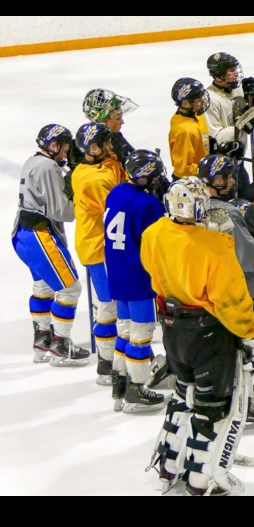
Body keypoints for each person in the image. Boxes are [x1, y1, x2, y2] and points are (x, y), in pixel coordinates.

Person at [143, 177, 254, 495]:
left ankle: (168, 465)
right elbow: (230, 298)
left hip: (171, 329)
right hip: (209, 334)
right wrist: (248, 333)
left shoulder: (153, 234)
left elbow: (152, 268)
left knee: (182, 395)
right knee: (212, 407)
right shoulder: (216, 246)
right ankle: (199, 479)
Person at [12, 124, 90, 365]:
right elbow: (62, 211)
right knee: (70, 289)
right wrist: (79, 191)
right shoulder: (49, 167)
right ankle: (61, 345)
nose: (67, 151)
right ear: (54, 146)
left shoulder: (33, 161)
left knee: (43, 286)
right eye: (65, 146)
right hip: (39, 234)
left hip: (23, 233)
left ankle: (43, 340)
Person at [103, 149, 171, 412]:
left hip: (117, 274)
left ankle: (119, 385)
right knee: (141, 334)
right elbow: (157, 241)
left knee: (125, 330)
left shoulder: (116, 192)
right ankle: (137, 389)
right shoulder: (148, 204)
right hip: (139, 275)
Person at [72, 122, 127, 384]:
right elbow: (117, 206)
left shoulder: (104, 164)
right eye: (104, 143)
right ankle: (107, 363)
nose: (109, 146)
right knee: (109, 304)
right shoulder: (93, 178)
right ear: (91, 148)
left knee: (115, 302)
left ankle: (119, 356)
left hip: (106, 244)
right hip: (99, 248)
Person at [198, 154, 254, 310]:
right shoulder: (223, 212)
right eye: (228, 177)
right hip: (236, 296)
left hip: (202, 292)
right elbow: (250, 258)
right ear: (217, 180)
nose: (233, 181)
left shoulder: (191, 208)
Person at [204, 52, 254, 194]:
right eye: (230, 70)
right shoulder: (210, 99)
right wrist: (241, 124)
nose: (235, 73)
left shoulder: (238, 90)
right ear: (218, 75)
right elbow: (215, 137)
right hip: (220, 172)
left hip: (239, 164)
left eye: (235, 69)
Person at [82, 88, 139, 166]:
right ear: (104, 121)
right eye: (118, 118)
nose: (122, 122)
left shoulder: (116, 136)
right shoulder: (99, 149)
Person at [168, 77, 211, 179]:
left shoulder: (196, 115)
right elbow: (183, 170)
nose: (203, 102)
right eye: (198, 100)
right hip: (190, 184)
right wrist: (209, 168)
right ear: (186, 103)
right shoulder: (184, 131)